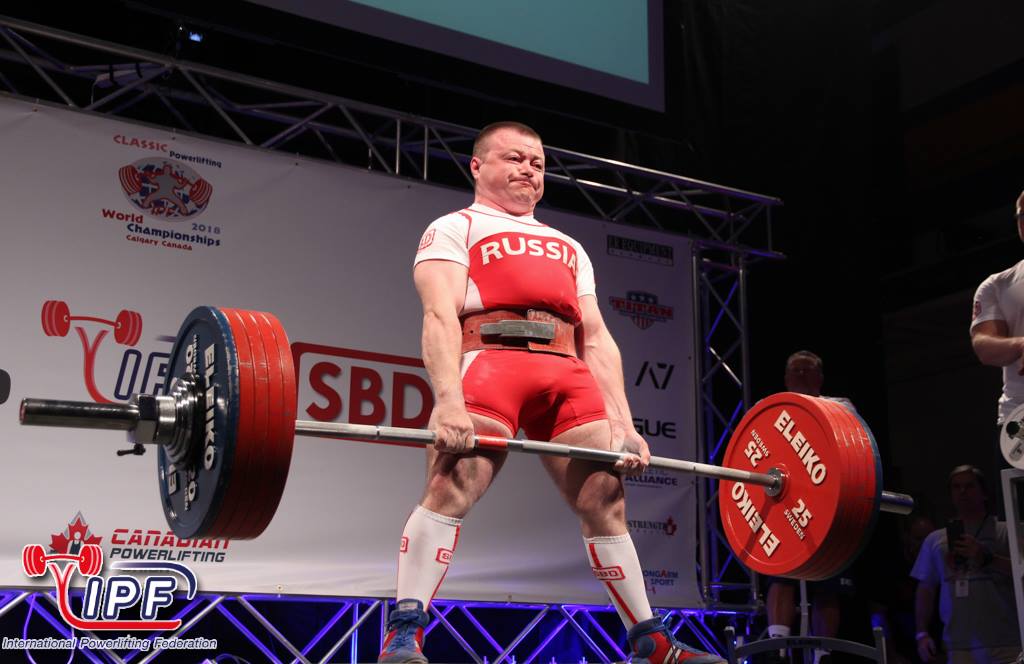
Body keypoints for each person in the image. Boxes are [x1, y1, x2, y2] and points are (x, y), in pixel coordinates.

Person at [376, 122, 725, 664]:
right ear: (477, 166)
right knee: (452, 484)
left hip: (566, 371)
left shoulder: (569, 246)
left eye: (537, 163)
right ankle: (404, 632)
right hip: (491, 361)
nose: (529, 170)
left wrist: (625, 425)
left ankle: (650, 643)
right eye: (515, 158)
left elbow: (597, 337)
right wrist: (447, 401)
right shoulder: (454, 227)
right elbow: (439, 315)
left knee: (605, 497)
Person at [764, 351, 855, 664]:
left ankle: (823, 655)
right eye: (796, 371)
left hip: (826, 505)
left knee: (826, 578)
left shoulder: (840, 405)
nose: (801, 376)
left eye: (807, 371)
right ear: (786, 379)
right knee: (781, 573)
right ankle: (777, 649)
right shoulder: (772, 411)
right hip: (785, 503)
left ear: (820, 379)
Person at [911, 465, 1019, 664]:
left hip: (1007, 641)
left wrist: (987, 558)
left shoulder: (1008, 532)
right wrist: (921, 633)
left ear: (984, 493)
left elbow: (1020, 572)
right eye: (956, 487)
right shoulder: (935, 540)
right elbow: (926, 588)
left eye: (969, 486)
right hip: (959, 644)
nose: (962, 492)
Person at [970, 189, 1024, 514]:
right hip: (1019, 418)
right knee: (1020, 528)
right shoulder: (998, 285)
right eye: (1023, 216)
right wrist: (1021, 345)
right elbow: (984, 346)